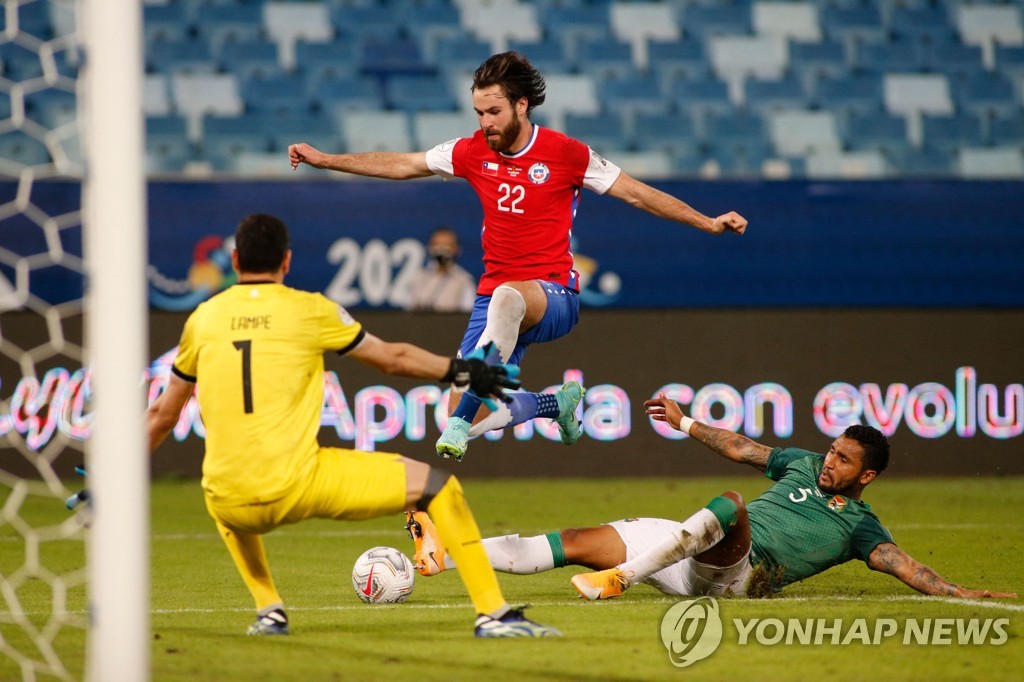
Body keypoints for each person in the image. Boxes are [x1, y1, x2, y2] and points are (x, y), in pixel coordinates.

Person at [289, 52, 748, 463]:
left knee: (509, 300)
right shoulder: (470, 151)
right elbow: (403, 164)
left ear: (521, 106)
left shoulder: (566, 153)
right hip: (494, 300)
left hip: (554, 296)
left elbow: (636, 194)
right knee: (456, 408)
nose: (485, 121)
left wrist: (706, 221)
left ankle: (466, 418)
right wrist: (326, 160)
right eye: (479, 112)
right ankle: (555, 405)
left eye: (494, 111)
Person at [145, 213, 562, 638]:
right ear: (286, 262)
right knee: (439, 488)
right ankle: (493, 614)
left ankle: (269, 609)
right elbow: (391, 359)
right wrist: (463, 372)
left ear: (234, 260)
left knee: (225, 494)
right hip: (299, 482)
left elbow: (162, 414)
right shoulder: (310, 309)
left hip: (228, 498)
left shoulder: (202, 319)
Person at [404, 394, 1016, 601]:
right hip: (689, 547)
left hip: (739, 575)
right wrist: (686, 422)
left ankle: (621, 579)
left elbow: (905, 567)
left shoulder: (860, 526)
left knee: (730, 504)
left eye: (843, 461)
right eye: (831, 452)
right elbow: (744, 447)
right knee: (572, 542)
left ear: (867, 476)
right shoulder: (802, 464)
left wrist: (963, 594)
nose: (829, 462)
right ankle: (446, 555)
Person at [404, 226, 476, 313]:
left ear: (457, 249)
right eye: (437, 245)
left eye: (447, 245)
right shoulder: (418, 277)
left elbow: (467, 314)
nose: (441, 250)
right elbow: (408, 310)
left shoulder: (464, 281)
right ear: (429, 247)